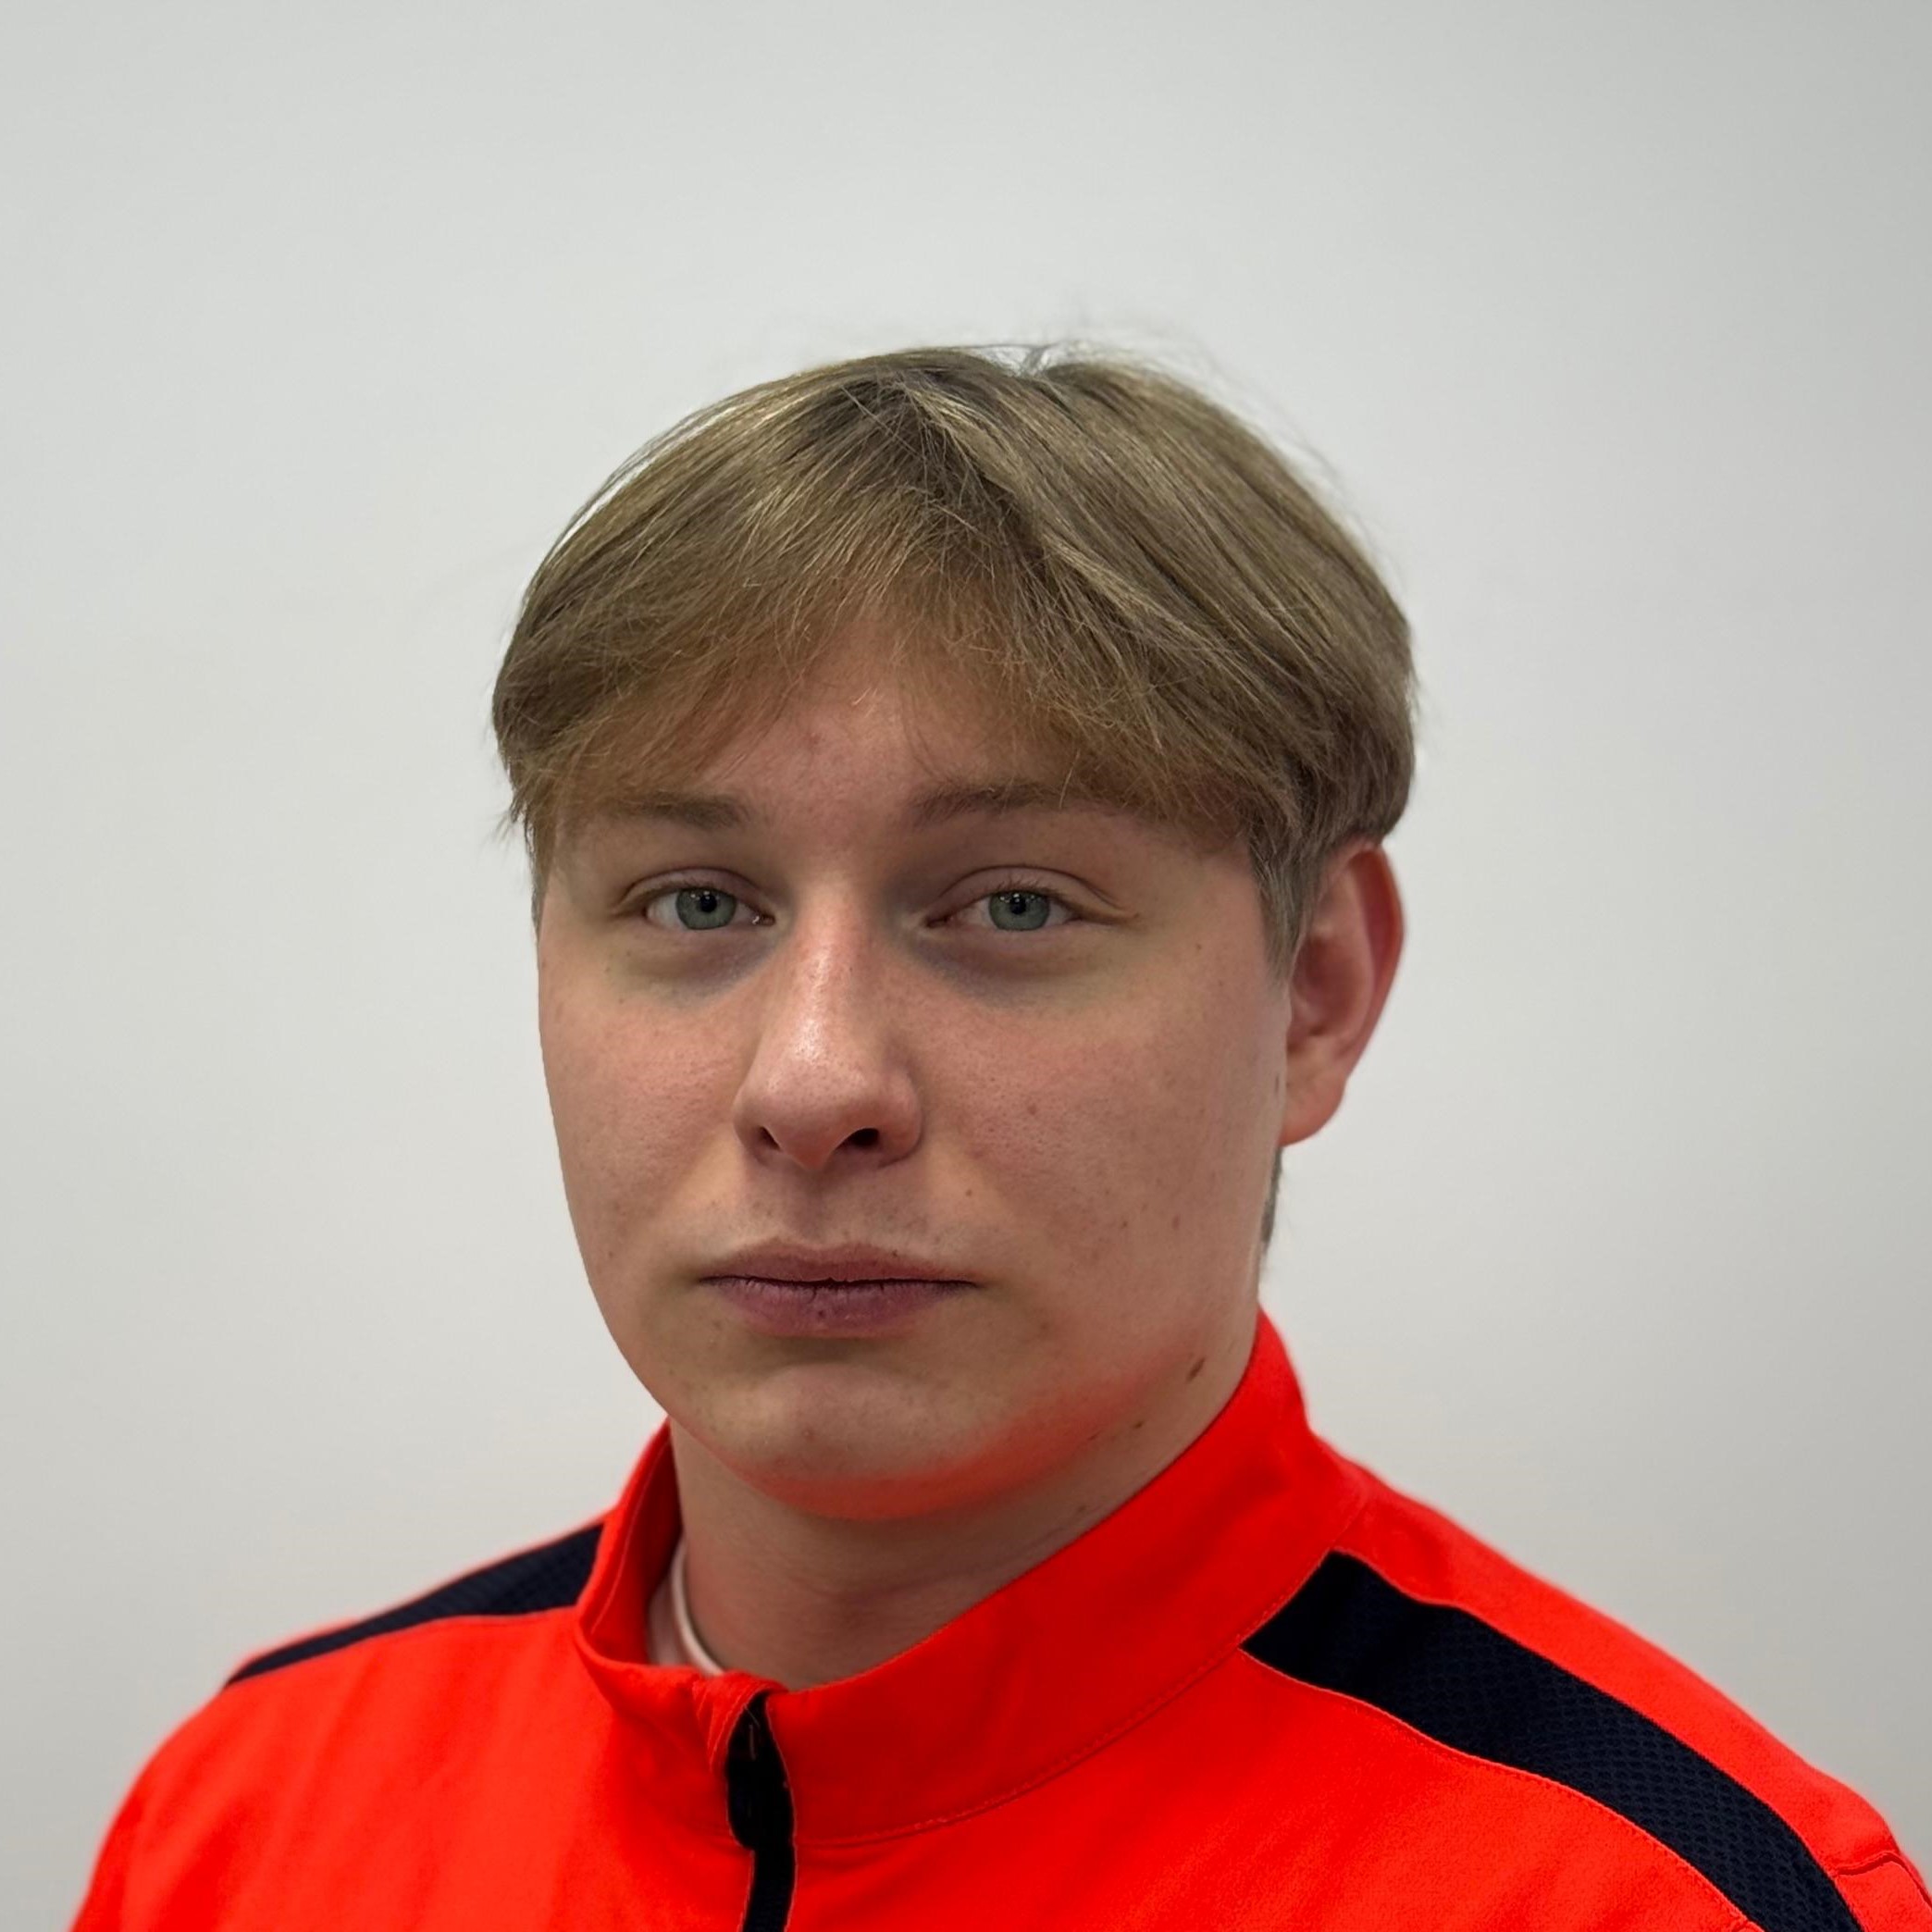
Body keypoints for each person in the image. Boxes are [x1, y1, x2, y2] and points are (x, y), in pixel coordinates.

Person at [71, 343, 1927, 1930]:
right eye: (699, 903)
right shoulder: (247, 1825)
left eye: (1014, 905)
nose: (814, 1083)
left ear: (1316, 992)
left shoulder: (1661, 1893)